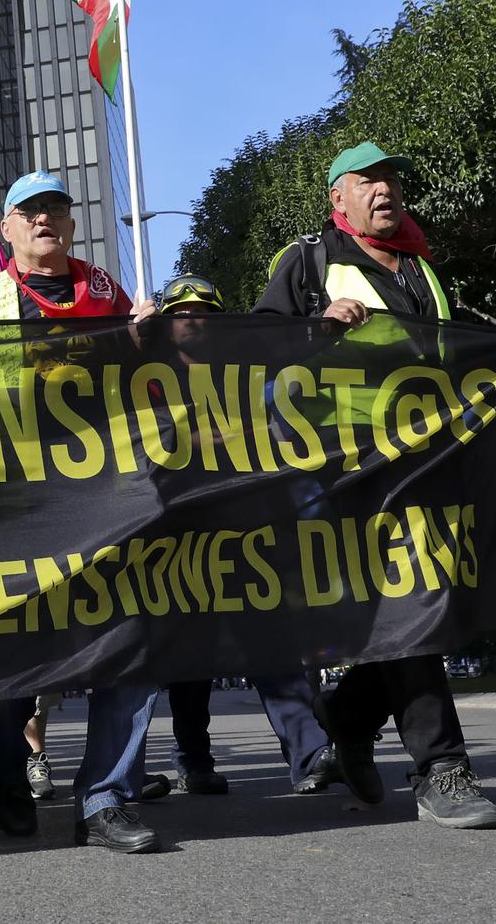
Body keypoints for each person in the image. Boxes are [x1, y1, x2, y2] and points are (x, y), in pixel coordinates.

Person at [254, 142, 496, 830]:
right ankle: (442, 768)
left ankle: (349, 712)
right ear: (337, 197)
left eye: (392, 178)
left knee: (419, 607)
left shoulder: (422, 270)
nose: (384, 189)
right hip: (345, 470)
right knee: (410, 600)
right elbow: (254, 348)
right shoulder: (307, 261)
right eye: (367, 180)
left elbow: (452, 356)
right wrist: (317, 327)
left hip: (426, 462)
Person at [0, 170, 161, 854]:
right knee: (10, 654)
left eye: (55, 209)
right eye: (28, 211)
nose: (44, 219)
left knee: (128, 641)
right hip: (14, 510)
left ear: (71, 225)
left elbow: (146, 388)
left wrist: (151, 339)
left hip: (105, 504)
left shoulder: (109, 298)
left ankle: (106, 797)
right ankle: (8, 773)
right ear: (6, 229)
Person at [139, 274, 343, 800]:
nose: (195, 320)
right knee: (191, 656)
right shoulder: (147, 376)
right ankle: (194, 759)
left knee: (271, 641)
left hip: (248, 528)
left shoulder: (248, 375)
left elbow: (283, 429)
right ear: (167, 320)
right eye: (184, 311)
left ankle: (310, 751)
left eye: (206, 311)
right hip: (176, 534)